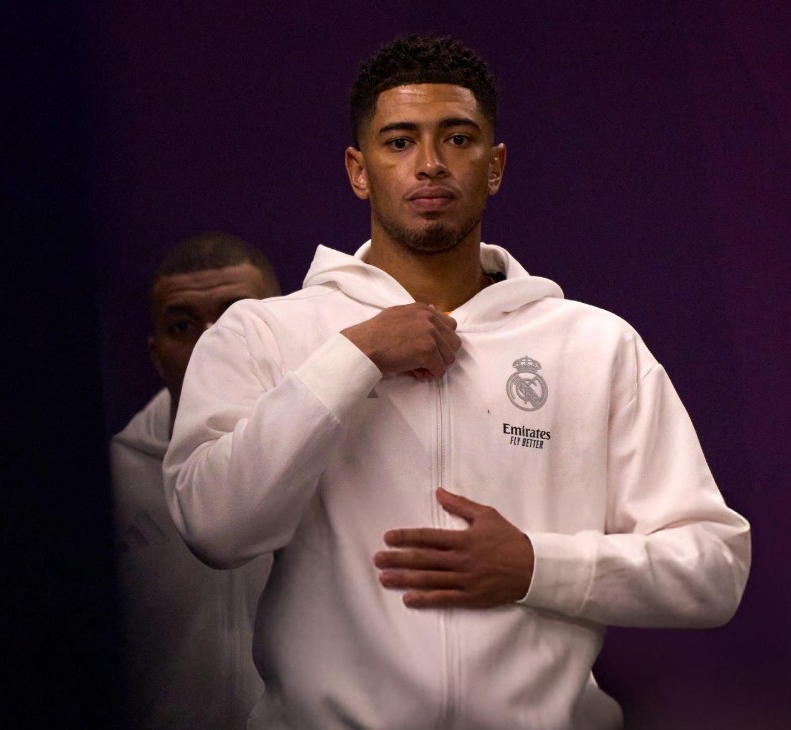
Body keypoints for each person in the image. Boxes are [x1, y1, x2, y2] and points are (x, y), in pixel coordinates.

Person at [162, 35, 751, 729]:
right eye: (399, 141)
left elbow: (713, 568)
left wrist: (535, 566)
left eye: (458, 138)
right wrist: (354, 356)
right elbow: (213, 527)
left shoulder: (594, 345)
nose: (431, 163)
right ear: (358, 170)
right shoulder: (263, 333)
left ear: (494, 166)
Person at [111, 232, 283, 729]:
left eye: (237, 317)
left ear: (283, 329)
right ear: (156, 354)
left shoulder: (338, 455)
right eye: (182, 325)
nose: (211, 344)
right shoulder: (112, 484)